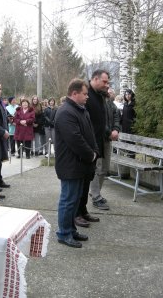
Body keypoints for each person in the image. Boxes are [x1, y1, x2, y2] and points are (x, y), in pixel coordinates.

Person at [55, 78, 98, 248]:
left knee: (75, 200)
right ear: (74, 93)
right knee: (68, 200)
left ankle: (71, 230)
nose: (87, 97)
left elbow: (90, 134)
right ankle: (63, 233)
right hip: (70, 165)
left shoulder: (81, 110)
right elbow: (75, 140)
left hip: (80, 165)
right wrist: (91, 155)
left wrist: (95, 151)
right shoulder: (65, 112)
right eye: (85, 94)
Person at [87, 70, 120, 212]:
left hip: (106, 138)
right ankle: (96, 196)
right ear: (95, 79)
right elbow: (97, 121)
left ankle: (96, 192)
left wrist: (116, 129)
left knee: (104, 168)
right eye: (105, 82)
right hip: (96, 138)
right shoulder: (88, 96)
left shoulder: (105, 99)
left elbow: (116, 116)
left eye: (108, 83)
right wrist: (109, 132)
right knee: (98, 168)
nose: (107, 86)